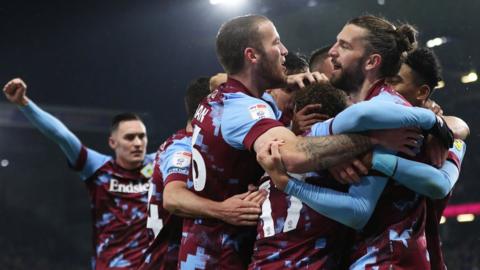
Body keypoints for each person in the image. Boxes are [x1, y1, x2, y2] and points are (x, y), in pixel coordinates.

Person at [178, 14, 421, 269]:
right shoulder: (245, 110)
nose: (284, 51)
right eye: (276, 43)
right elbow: (295, 156)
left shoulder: (219, 98)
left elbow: (225, 81)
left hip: (212, 250)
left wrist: (283, 80)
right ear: (252, 55)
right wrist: (372, 138)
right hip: (221, 257)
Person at [3, 78, 155, 269]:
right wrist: (24, 103)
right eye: (130, 137)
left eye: (142, 136)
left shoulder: (160, 162)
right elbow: (62, 135)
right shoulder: (97, 167)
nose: (138, 143)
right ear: (112, 142)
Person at [139, 77, 266, 269]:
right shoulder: (182, 145)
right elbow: (173, 197)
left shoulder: (205, 145)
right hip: (168, 262)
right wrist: (224, 210)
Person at [387, 47, 469, 270]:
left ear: (422, 93)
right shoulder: (365, 125)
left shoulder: (439, 141)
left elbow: (460, 127)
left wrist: (437, 127)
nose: (387, 90)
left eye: (395, 82)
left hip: (413, 260)